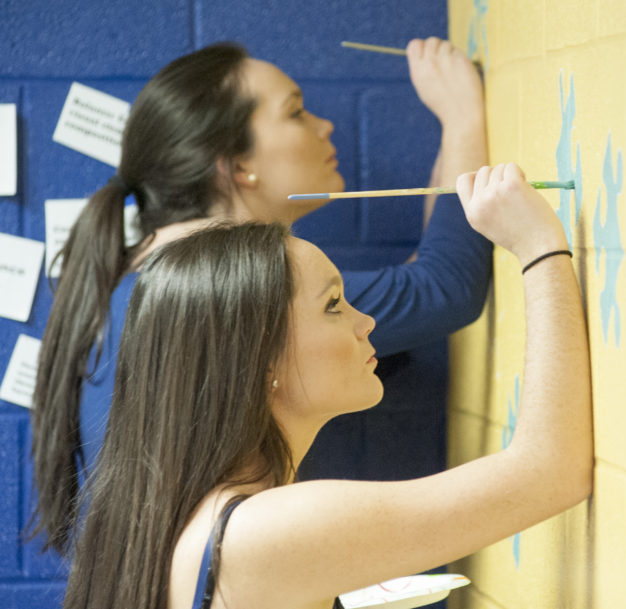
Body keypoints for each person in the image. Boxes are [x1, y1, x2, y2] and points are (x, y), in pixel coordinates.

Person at [31, 38, 491, 556]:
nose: (325, 125)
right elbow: (443, 288)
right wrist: (463, 119)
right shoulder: (230, 288)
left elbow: (422, 284)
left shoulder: (149, 274)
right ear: (237, 166)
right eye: (295, 112)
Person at [62, 164, 592, 609]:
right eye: (334, 305)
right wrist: (539, 247)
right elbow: (550, 472)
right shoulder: (259, 531)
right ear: (258, 360)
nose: (367, 322)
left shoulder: (213, 521)